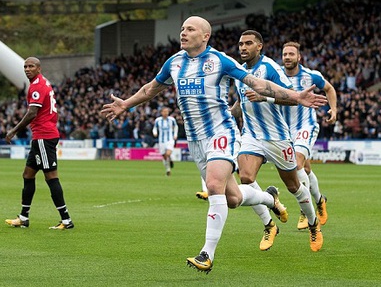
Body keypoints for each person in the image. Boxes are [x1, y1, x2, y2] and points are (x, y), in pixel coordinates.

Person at [101, 16, 327, 273]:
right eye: (182, 28)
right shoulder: (174, 63)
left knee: (213, 186)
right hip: (196, 140)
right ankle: (269, 199)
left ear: (205, 36)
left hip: (222, 133)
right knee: (232, 198)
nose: (183, 33)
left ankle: (206, 254)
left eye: (190, 29)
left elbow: (257, 83)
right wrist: (126, 104)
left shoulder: (220, 61)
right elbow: (150, 89)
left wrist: (297, 95)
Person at [231, 30, 323, 252]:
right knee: (245, 177)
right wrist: (226, 112)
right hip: (252, 135)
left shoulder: (270, 68)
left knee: (294, 186)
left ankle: (313, 224)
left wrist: (265, 96)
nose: (243, 47)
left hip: (277, 137)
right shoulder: (238, 71)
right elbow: (240, 102)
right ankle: (269, 223)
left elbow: (293, 99)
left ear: (259, 46)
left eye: (248, 43)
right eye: (241, 44)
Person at [5, 57, 74, 230]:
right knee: (27, 175)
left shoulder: (37, 85)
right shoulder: (42, 83)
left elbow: (32, 112)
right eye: (25, 66)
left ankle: (66, 220)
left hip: (44, 136)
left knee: (51, 177)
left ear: (39, 68)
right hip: (40, 137)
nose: (27, 69)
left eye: (31, 66)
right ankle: (23, 217)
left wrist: (14, 130)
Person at [281, 41, 337, 230]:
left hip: (306, 125)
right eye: (285, 54)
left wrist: (333, 109)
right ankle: (320, 200)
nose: (287, 57)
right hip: (284, 130)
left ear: (299, 57)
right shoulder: (277, 75)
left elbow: (329, 88)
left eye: (291, 54)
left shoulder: (311, 76)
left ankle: (306, 211)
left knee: (296, 164)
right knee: (305, 169)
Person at [152, 106, 178, 176]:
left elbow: (176, 127)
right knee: (164, 156)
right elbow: (154, 128)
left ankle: (170, 159)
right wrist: (155, 133)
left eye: (167, 111)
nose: (166, 113)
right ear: (161, 112)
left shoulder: (172, 119)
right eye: (164, 111)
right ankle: (168, 169)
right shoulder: (158, 120)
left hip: (170, 140)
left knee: (168, 154)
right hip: (161, 140)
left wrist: (175, 134)